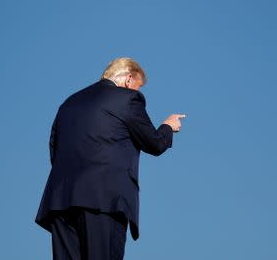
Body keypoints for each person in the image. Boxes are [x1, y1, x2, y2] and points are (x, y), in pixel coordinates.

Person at [35, 57, 185, 260]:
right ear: (128, 79)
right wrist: (168, 126)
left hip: (61, 204)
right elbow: (155, 143)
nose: (137, 93)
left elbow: (55, 151)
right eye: (137, 87)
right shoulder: (127, 99)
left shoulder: (68, 104)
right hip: (105, 202)